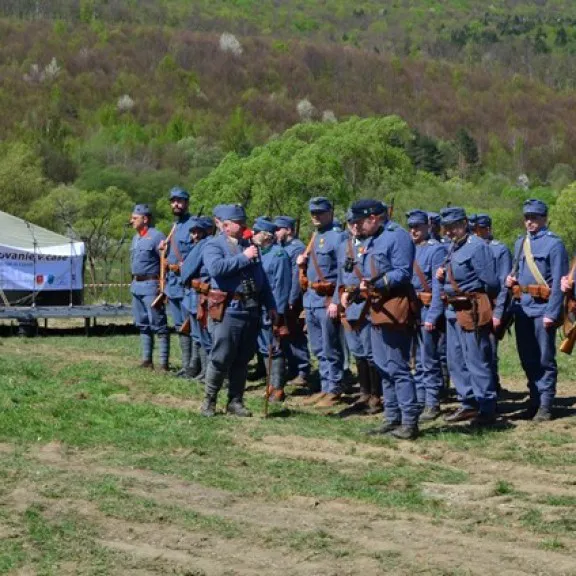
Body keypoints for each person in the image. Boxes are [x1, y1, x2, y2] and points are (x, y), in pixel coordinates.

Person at [342, 199, 420, 440]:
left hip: (394, 307)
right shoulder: (373, 239)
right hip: (375, 306)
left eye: (360, 221)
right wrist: (356, 291)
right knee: (383, 367)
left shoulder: (397, 236)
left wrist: (376, 283)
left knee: (397, 367)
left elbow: (402, 272)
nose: (356, 226)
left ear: (374, 218)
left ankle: (409, 421)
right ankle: (391, 417)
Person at [201, 204, 277, 417]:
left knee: (243, 358)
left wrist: (270, 304)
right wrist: (244, 257)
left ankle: (236, 400)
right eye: (237, 222)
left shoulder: (249, 246)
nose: (242, 225)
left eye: (243, 221)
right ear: (225, 225)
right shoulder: (214, 245)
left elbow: (261, 279)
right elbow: (216, 269)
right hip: (228, 309)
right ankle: (209, 401)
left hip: (250, 307)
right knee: (221, 356)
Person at [504, 199, 568, 421]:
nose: (530, 222)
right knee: (527, 357)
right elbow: (517, 272)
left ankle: (546, 404)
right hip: (523, 308)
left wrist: (552, 313)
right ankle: (534, 400)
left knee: (544, 358)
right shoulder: (520, 243)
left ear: (544, 219)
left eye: (535, 218)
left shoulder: (554, 245)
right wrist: (511, 280)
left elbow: (560, 281)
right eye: (527, 218)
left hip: (543, 310)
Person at [436, 207, 500, 426]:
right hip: (453, 311)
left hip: (471, 309)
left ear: (464, 223)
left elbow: (491, 283)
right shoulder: (453, 247)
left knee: (476, 360)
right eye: (447, 228)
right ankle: (468, 403)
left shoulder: (477, 246)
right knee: (456, 361)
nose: (450, 231)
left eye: (454, 226)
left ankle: (487, 407)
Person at [297, 197, 345, 408]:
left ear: (330, 213)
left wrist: (336, 301)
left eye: (320, 213)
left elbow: (344, 272)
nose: (316, 216)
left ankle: (334, 388)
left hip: (327, 300)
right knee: (318, 347)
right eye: (313, 213)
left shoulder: (338, 237)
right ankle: (325, 387)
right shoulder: (315, 236)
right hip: (311, 299)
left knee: (330, 347)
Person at [336, 210, 381, 414]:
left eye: (357, 222)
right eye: (351, 222)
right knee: (357, 351)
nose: (354, 226)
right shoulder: (343, 247)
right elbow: (340, 277)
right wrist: (339, 299)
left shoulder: (374, 244)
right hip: (349, 304)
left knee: (371, 351)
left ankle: (376, 395)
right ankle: (364, 392)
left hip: (366, 303)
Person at [407, 209, 445, 421]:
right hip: (411, 310)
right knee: (416, 361)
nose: (414, 231)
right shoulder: (409, 249)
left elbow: (438, 287)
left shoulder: (435, 250)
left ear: (427, 227)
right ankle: (420, 400)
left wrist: (433, 315)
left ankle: (432, 402)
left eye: (418, 227)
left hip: (427, 309)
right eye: (411, 227)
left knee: (428, 359)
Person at [253, 217, 291, 402]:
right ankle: (270, 384)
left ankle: (277, 388)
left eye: (257, 232)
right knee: (263, 347)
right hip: (259, 307)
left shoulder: (279, 255)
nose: (253, 235)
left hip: (272, 308)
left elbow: (282, 286)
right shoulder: (260, 253)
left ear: (266, 236)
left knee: (273, 348)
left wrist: (278, 312)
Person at [475, 214, 513, 394]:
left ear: (487, 229)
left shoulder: (499, 250)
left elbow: (504, 285)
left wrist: (498, 313)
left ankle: (492, 389)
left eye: (479, 229)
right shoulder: (468, 249)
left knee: (489, 350)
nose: (476, 233)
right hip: (472, 307)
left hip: (492, 305)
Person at [129, 204, 169, 370]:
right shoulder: (136, 238)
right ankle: (147, 360)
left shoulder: (156, 236)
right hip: (137, 285)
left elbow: (165, 260)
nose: (131, 221)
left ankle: (163, 363)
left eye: (135, 218)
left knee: (158, 323)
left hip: (151, 285)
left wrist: (163, 286)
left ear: (145, 219)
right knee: (143, 324)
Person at [273, 216, 311, 386]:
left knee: (295, 334)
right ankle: (293, 368)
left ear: (288, 230)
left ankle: (303, 370)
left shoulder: (297, 248)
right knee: (285, 334)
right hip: (282, 297)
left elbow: (297, 277)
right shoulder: (282, 247)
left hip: (291, 298)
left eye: (278, 229)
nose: (275, 232)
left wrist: (292, 299)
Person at [163, 187, 195, 376]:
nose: (176, 204)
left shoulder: (192, 225)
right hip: (173, 285)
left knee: (190, 326)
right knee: (179, 326)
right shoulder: (175, 226)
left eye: (180, 201)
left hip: (186, 284)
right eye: (173, 201)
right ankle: (185, 365)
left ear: (186, 203)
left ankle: (193, 366)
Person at [181, 216, 214, 382]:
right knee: (198, 335)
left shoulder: (205, 245)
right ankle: (203, 370)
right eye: (192, 232)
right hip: (194, 295)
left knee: (205, 336)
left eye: (197, 232)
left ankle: (208, 372)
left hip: (200, 296)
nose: (194, 235)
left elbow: (187, 270)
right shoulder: (199, 245)